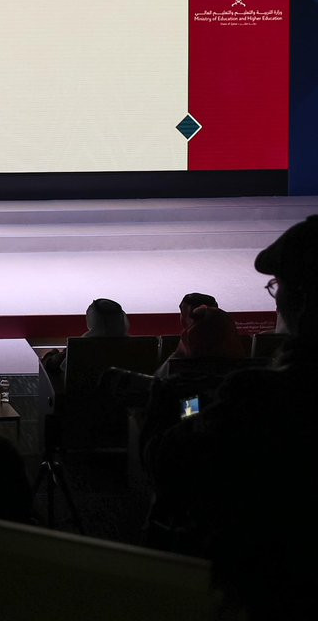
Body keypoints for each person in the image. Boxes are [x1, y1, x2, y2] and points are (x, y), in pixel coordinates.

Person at [145, 216, 318, 619]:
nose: (276, 297)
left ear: (303, 299)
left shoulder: (258, 398)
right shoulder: (255, 384)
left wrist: (166, 400)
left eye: (279, 286)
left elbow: (167, 463)